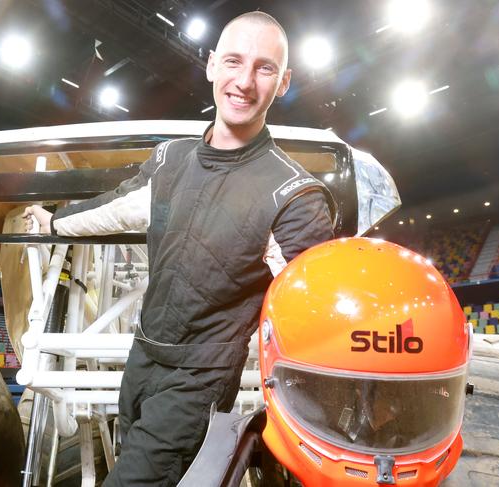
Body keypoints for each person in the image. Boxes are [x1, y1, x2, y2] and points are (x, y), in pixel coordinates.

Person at [24, 11, 335, 486]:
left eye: (265, 68)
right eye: (233, 61)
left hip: (200, 380)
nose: (244, 81)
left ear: (284, 81)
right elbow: (116, 206)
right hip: (142, 357)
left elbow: (312, 322)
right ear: (211, 66)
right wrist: (54, 222)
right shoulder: (170, 158)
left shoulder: (296, 196)